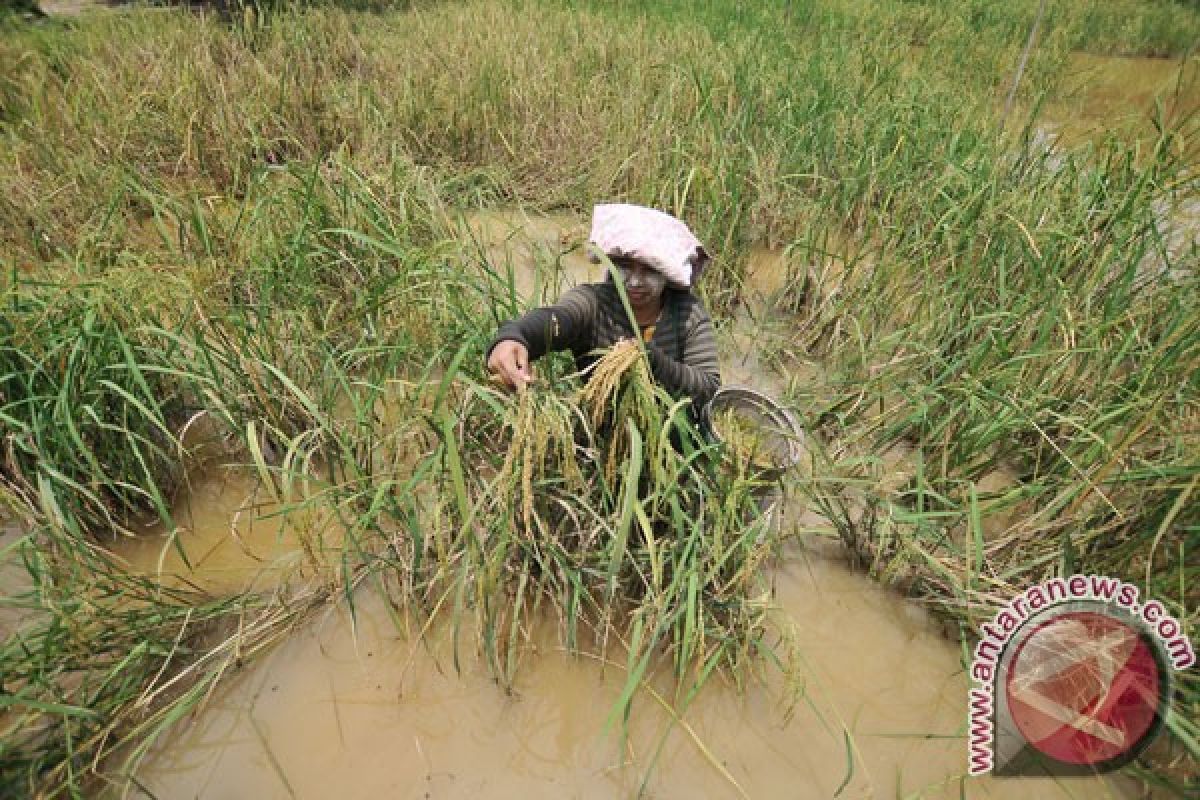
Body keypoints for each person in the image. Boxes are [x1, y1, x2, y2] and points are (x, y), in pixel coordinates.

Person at [485, 204, 721, 421]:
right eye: (626, 267)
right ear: (611, 264)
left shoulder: (687, 313)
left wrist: (654, 362)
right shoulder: (594, 303)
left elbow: (708, 386)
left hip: (669, 435)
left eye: (650, 271)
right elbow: (557, 318)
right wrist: (514, 336)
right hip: (603, 428)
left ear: (667, 276)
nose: (636, 282)